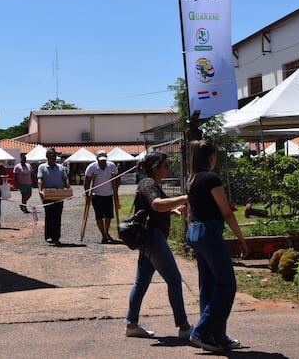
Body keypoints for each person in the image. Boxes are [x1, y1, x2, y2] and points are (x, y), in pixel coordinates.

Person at [185, 139, 248, 353]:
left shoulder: (192, 179)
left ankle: (215, 335)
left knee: (208, 286)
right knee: (226, 284)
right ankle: (202, 332)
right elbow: (227, 212)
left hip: (195, 231)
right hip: (209, 232)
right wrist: (241, 238)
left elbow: (210, 206)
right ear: (210, 156)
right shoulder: (211, 178)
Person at [124, 152, 192, 340]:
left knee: (141, 283)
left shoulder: (149, 184)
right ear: (155, 168)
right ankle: (184, 326)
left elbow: (152, 209)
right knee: (174, 280)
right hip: (153, 238)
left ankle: (131, 324)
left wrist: (173, 210)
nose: (167, 169)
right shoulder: (149, 184)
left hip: (148, 239)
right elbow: (156, 205)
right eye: (165, 166)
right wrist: (184, 198)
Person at [83, 150, 120, 243]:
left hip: (108, 195)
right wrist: (87, 194)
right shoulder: (92, 167)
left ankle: (106, 233)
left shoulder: (111, 166)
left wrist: (116, 192)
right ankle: (104, 235)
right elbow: (87, 181)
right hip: (96, 195)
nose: (103, 162)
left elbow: (116, 179)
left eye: (104, 160)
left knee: (108, 216)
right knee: (99, 216)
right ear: (97, 159)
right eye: (101, 160)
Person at [37, 148, 70, 245]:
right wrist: (40, 191)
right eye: (51, 155)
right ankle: (49, 236)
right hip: (48, 194)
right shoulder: (42, 167)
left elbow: (65, 179)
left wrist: (69, 189)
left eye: (55, 155)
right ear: (47, 156)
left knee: (57, 216)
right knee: (49, 215)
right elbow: (40, 179)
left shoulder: (60, 167)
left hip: (59, 195)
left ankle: (56, 237)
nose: (53, 157)